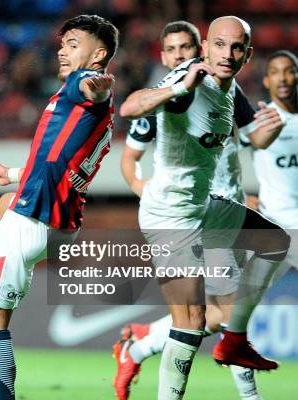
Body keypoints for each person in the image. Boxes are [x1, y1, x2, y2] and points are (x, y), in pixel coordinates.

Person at [119, 16, 289, 400]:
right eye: (220, 45)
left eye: (236, 48)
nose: (227, 54)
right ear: (206, 47)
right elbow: (130, 107)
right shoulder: (188, 82)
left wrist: (272, 126)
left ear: (247, 55)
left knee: (276, 241)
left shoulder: (230, 90)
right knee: (192, 323)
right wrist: (177, 87)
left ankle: (234, 340)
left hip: (205, 206)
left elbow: (253, 138)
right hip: (171, 217)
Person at [0, 14, 118, 400]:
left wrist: (95, 85)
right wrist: (13, 173)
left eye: (72, 44)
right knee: (4, 202)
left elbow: (91, 88)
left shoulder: (79, 86)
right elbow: (57, 159)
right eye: (62, 44)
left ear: (98, 54)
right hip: (60, 221)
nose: (61, 51)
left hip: (35, 216)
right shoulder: (85, 106)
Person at [248, 50, 298, 272]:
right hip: (274, 220)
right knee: (240, 304)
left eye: (289, 71)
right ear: (267, 81)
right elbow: (221, 159)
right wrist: (240, 196)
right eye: (275, 72)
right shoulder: (258, 120)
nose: (283, 78)